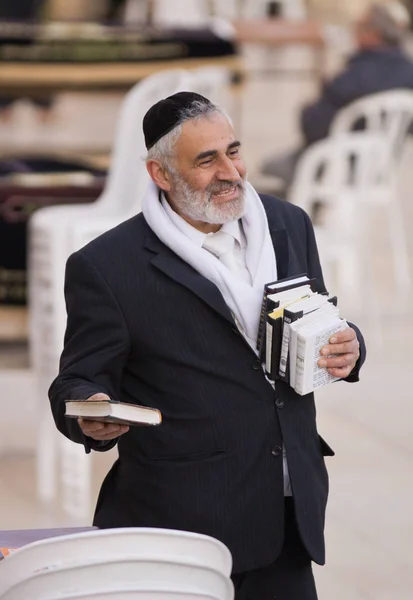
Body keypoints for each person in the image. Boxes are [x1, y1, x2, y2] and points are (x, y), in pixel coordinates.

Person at [49, 91, 366, 600]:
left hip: (288, 511)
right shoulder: (106, 267)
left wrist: (349, 348)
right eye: (206, 159)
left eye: (233, 151)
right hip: (181, 524)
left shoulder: (288, 225)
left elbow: (320, 319)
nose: (230, 171)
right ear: (160, 174)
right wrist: (88, 414)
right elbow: (77, 381)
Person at [261, 0, 413, 192]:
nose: (354, 35)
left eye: (358, 29)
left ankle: (295, 218)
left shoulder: (356, 75)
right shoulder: (409, 71)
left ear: (372, 34)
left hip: (338, 163)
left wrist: (307, 109)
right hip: (380, 163)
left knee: (274, 171)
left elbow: (312, 125)